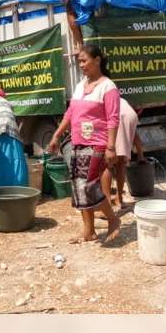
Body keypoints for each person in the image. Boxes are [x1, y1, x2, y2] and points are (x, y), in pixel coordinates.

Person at [48, 44, 121, 244]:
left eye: (84, 60)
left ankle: (113, 220)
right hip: (77, 142)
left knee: (88, 185)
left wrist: (111, 147)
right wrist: (56, 135)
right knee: (78, 186)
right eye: (79, 61)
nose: (81, 65)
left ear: (97, 60)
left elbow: (113, 119)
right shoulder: (80, 86)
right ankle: (89, 231)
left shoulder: (108, 87)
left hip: (97, 143)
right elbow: (70, 114)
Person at [112, 98, 146, 210]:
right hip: (130, 117)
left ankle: (106, 203)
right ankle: (119, 198)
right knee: (120, 162)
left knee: (105, 166)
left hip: (117, 117)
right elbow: (136, 136)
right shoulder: (123, 101)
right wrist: (141, 156)